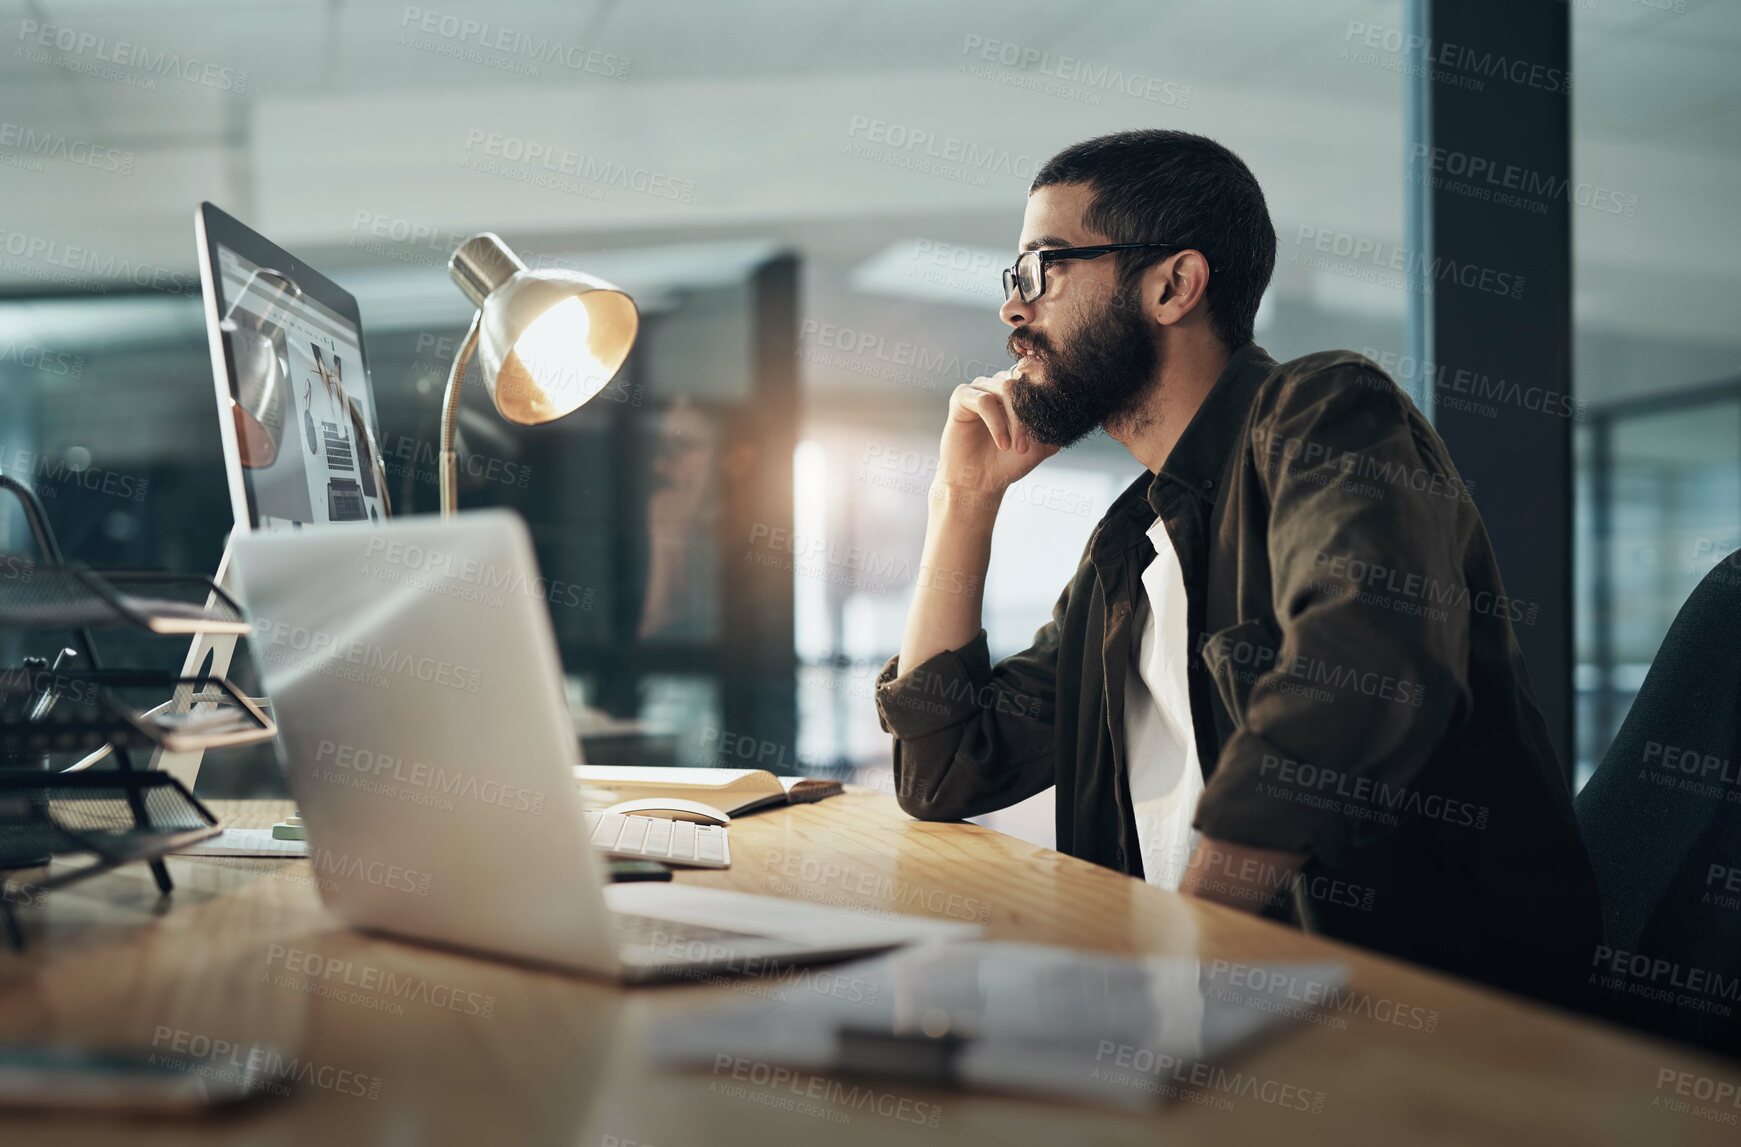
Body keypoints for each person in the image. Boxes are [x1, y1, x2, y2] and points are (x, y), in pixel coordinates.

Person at [874, 129, 1601, 1005]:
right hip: (1192, 1022)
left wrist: (1186, 953)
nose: (1012, 311)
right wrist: (962, 501)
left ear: (1172, 284)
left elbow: (1360, 672)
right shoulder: (1128, 546)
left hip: (1396, 1041)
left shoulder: (1324, 411)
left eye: (1040, 267)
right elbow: (944, 771)